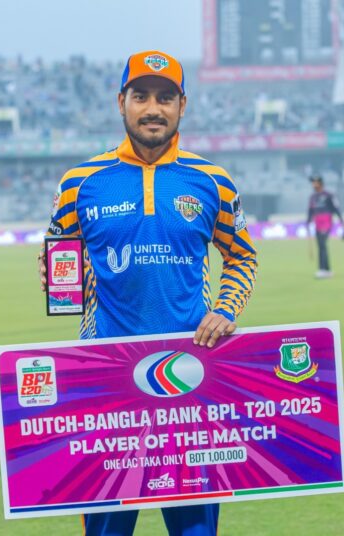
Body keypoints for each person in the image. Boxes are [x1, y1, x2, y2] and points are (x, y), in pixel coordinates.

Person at [38, 50, 258, 536]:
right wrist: (57, 279)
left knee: (195, 530)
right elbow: (58, 267)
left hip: (190, 379)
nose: (153, 108)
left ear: (183, 105)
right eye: (141, 96)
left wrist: (226, 308)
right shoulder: (80, 183)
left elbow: (242, 256)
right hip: (107, 382)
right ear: (121, 102)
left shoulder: (213, 181)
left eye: (165, 97)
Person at [306, 175, 344, 279]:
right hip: (317, 223)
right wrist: (308, 221)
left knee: (322, 244)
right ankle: (325, 270)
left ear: (320, 183)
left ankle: (324, 269)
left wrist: (342, 222)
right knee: (320, 245)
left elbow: (336, 209)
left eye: (315, 182)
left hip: (326, 222)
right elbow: (310, 211)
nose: (313, 184)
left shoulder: (329, 195)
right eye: (312, 182)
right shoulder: (313, 197)